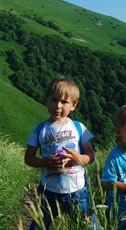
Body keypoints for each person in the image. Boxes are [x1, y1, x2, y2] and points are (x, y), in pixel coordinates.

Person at [24, 76, 97, 230]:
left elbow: (90, 155)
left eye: (64, 102)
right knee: (38, 226)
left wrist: (78, 158)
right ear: (46, 100)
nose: (58, 106)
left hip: (77, 191)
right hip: (48, 191)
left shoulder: (78, 127)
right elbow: (28, 158)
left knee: (88, 226)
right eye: (54, 100)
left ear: (73, 105)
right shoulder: (39, 130)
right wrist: (44, 162)